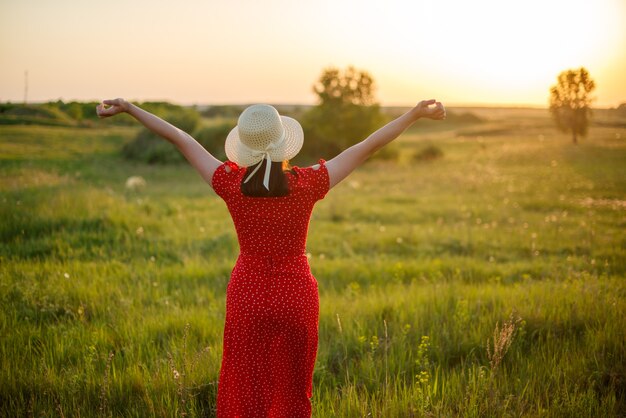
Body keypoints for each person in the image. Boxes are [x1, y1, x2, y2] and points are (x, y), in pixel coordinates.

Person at [96, 98, 446, 417]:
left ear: (243, 147)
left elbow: (181, 138)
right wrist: (414, 115)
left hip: (248, 295)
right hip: (296, 297)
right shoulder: (308, 183)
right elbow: (367, 146)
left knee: (244, 386)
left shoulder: (229, 184)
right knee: (292, 392)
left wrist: (130, 108)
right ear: (283, 143)